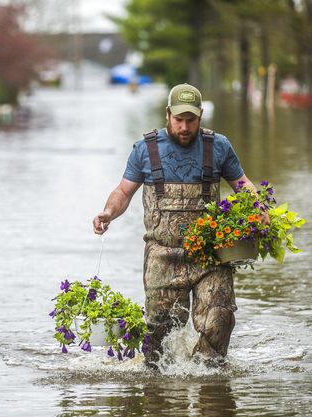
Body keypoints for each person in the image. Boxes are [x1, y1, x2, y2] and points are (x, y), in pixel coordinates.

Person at [92, 83, 264, 368]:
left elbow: (242, 184)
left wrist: (258, 208)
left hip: (210, 255)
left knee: (220, 318)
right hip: (163, 255)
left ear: (201, 116)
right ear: (168, 114)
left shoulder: (218, 146)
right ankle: (163, 394)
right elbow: (123, 192)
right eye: (179, 119)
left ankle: (206, 376)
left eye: (191, 120)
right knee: (157, 344)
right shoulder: (145, 149)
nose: (185, 127)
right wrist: (108, 213)